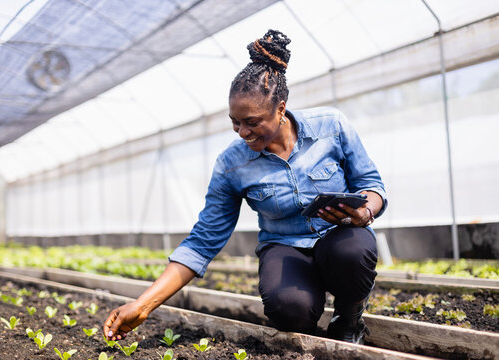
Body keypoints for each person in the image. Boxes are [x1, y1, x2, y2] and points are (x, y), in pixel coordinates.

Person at [103, 29, 387, 344]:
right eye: (235, 122)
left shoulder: (330, 126)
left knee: (353, 251)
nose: (242, 132)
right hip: (286, 246)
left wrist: (365, 212)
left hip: (339, 235)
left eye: (252, 122)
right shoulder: (232, 164)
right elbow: (202, 242)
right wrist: (143, 305)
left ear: (280, 110)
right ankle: (307, 330)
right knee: (289, 309)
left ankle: (348, 320)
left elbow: (371, 186)